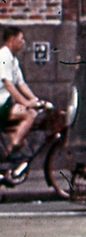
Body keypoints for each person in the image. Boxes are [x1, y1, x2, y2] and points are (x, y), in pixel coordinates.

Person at [0, 26, 44, 159]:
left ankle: (15, 143)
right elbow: (9, 85)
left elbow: (21, 83)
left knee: (28, 116)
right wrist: (26, 103)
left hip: (6, 103)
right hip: (2, 104)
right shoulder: (3, 56)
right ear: (12, 39)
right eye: (21, 39)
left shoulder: (13, 60)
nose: (23, 42)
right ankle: (12, 148)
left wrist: (35, 100)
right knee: (29, 114)